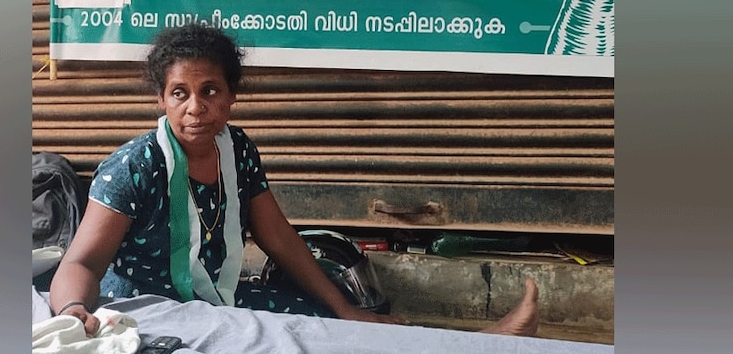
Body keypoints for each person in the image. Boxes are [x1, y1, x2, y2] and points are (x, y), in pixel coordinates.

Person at [48, 22, 539, 338]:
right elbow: (82, 261)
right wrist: (73, 311)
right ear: (161, 99)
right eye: (180, 93)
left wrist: (344, 307)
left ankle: (479, 345)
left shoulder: (237, 150)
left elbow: (279, 238)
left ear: (232, 96)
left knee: (331, 324)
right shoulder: (134, 166)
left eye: (210, 90)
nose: (195, 107)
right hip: (144, 310)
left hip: (215, 298)